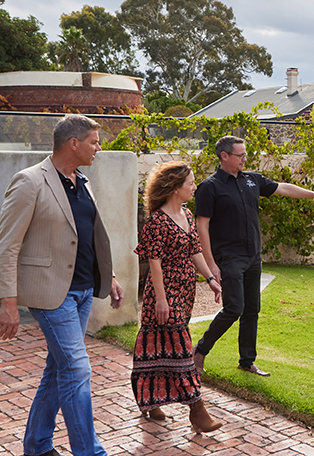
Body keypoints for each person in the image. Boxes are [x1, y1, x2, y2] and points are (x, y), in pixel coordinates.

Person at [0, 114, 125, 456]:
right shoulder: (29, 182)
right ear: (74, 143)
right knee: (78, 368)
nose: (99, 147)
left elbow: (88, 235)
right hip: (51, 293)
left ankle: (37, 445)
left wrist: (107, 276)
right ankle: (90, 451)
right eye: (95, 142)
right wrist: (8, 301)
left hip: (82, 290)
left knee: (59, 369)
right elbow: (7, 245)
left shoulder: (82, 181)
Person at [193, 135, 314, 378]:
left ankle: (246, 361)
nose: (244, 159)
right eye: (240, 155)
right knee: (234, 308)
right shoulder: (210, 187)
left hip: (253, 257)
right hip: (229, 258)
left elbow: (283, 188)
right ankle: (200, 349)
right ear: (224, 156)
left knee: (252, 309)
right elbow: (202, 228)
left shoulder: (252, 180)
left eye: (245, 154)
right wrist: (211, 265)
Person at [130, 161, 224, 432]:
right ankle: (197, 411)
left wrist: (210, 278)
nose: (195, 187)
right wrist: (161, 299)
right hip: (165, 291)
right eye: (191, 183)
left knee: (158, 348)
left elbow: (196, 250)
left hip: (185, 290)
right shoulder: (157, 221)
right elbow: (154, 263)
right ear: (175, 188)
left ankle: (148, 400)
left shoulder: (187, 214)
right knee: (181, 349)